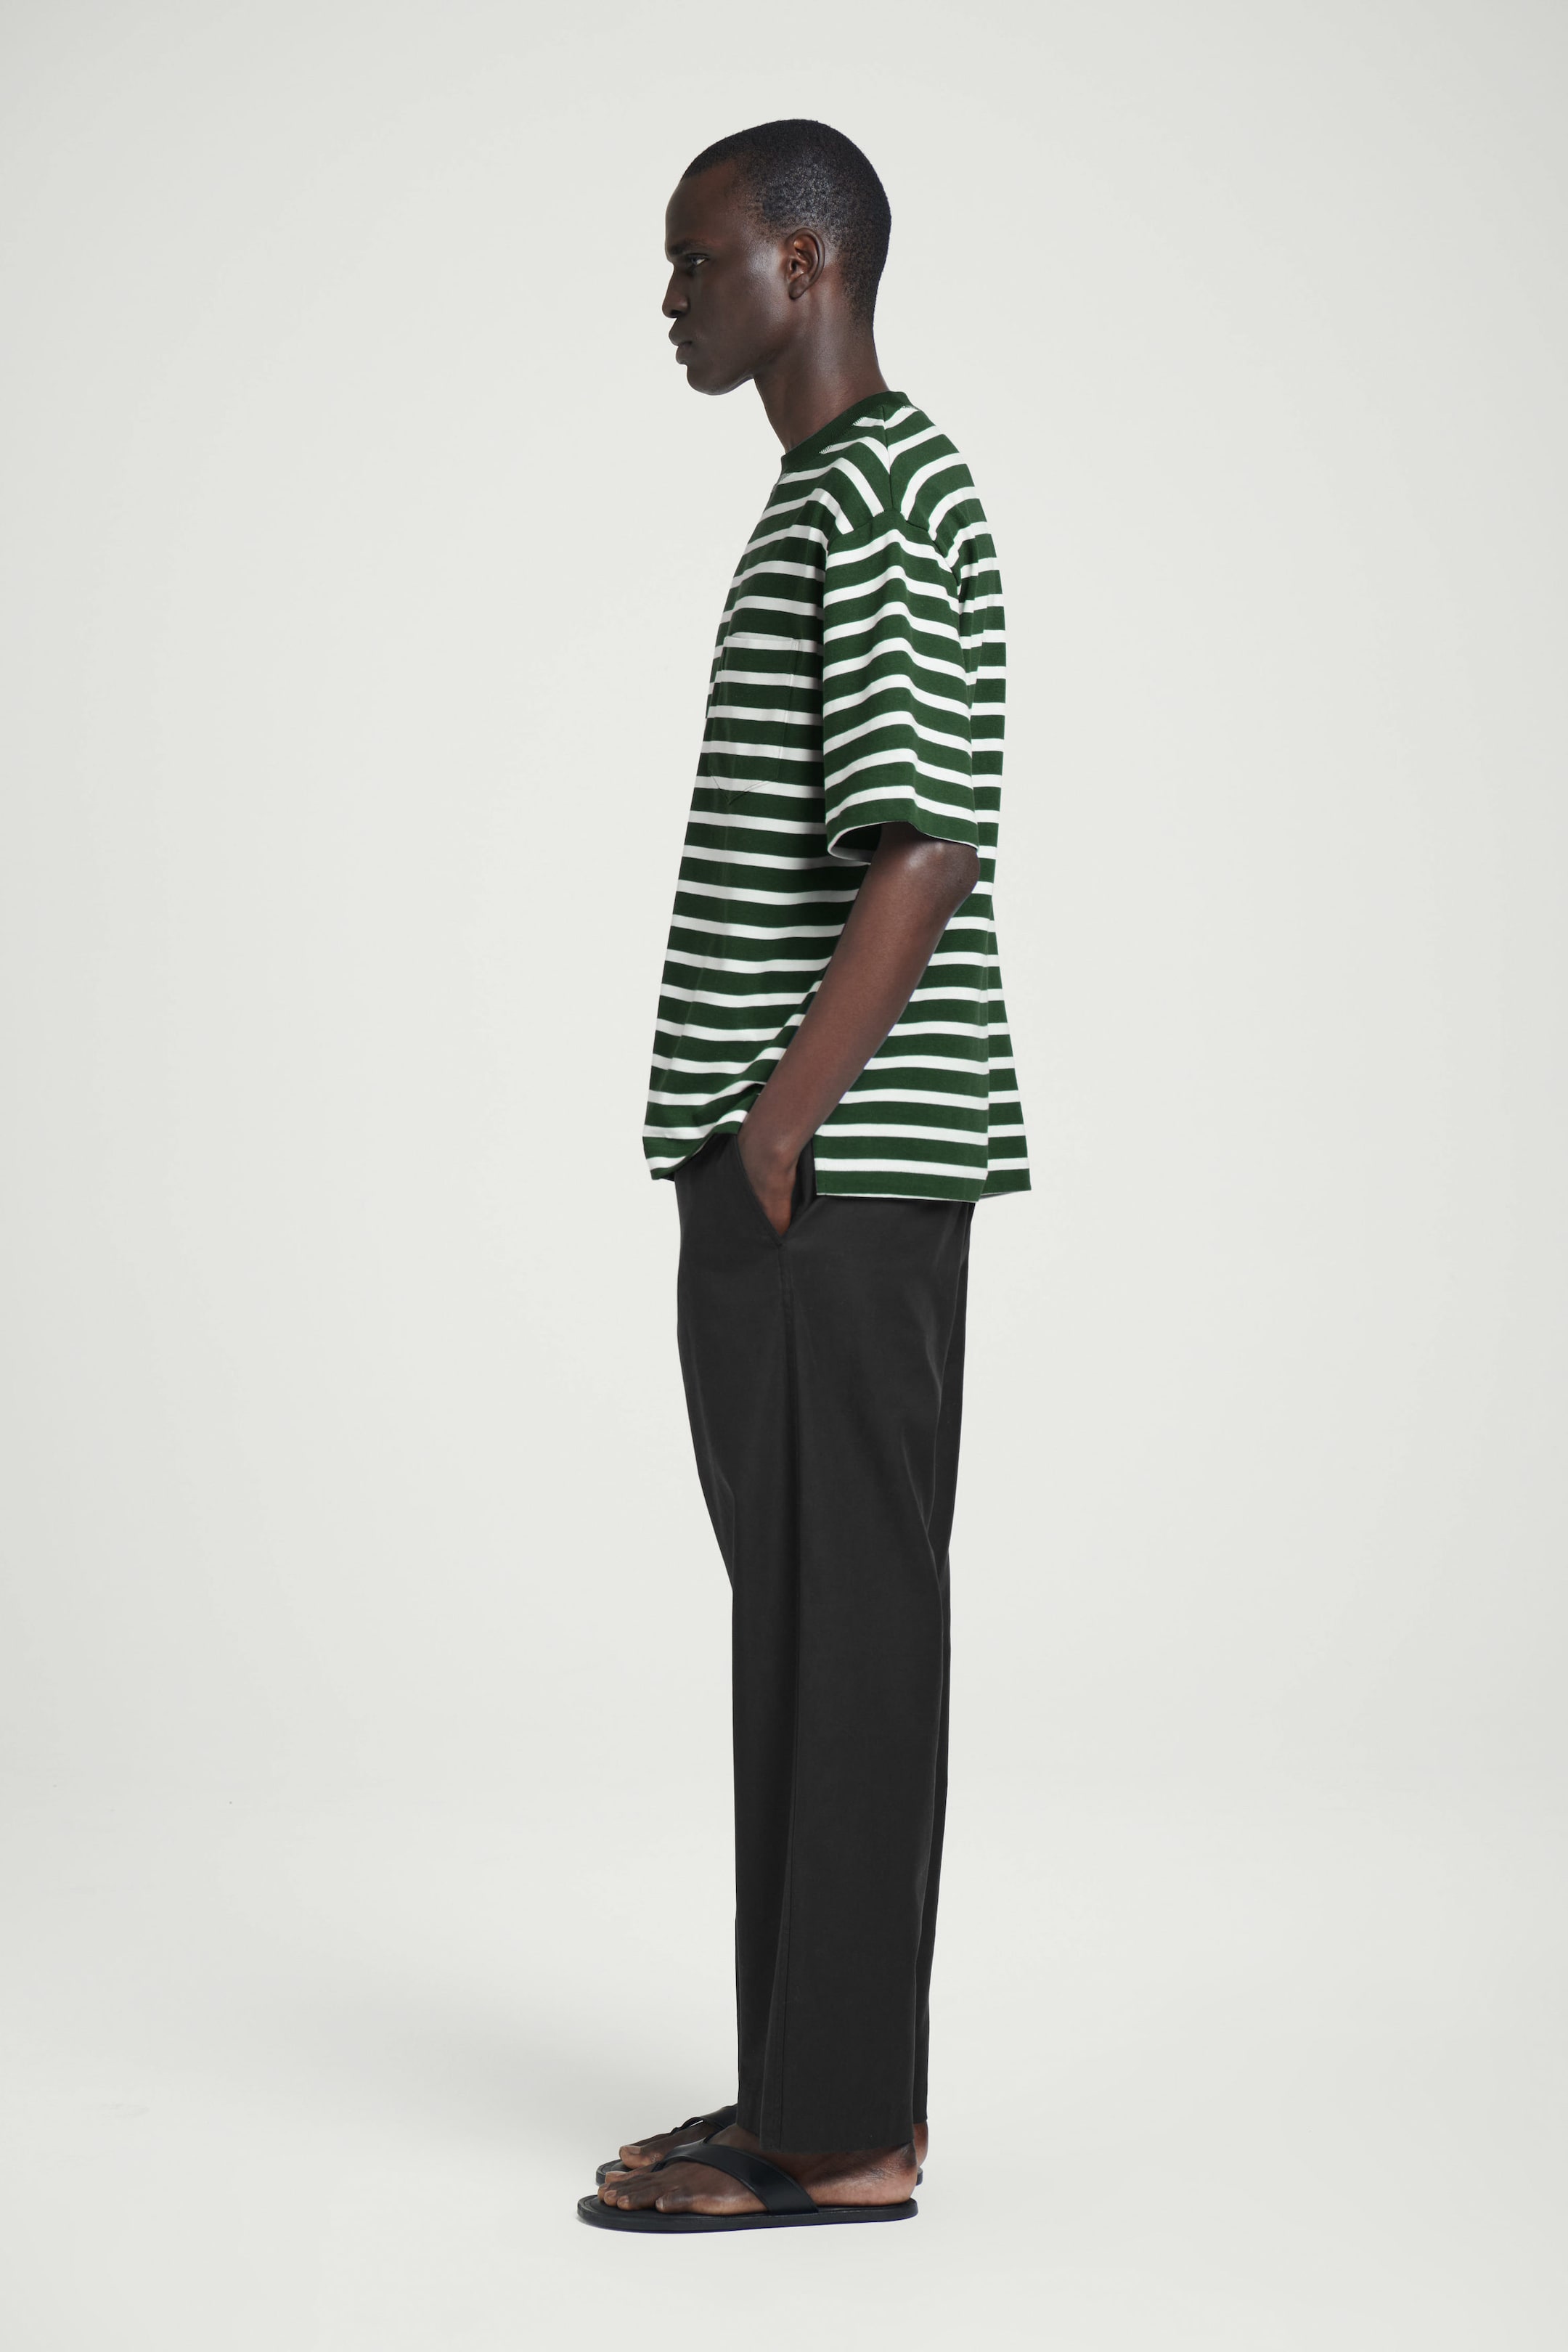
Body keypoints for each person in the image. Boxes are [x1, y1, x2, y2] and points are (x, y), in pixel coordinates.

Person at [580, 118, 1029, 2234]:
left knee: (849, 1634)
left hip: (832, 1174)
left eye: (698, 262)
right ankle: (811, 2090)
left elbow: (922, 842)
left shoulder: (887, 490)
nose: (673, 299)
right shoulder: (822, 495)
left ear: (806, 260)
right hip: (799, 1173)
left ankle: (840, 2137)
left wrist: (777, 1125)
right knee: (810, 1631)